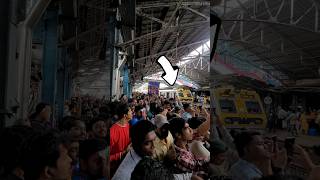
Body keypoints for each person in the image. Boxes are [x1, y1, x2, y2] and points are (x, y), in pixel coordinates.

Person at [109, 103, 132, 177]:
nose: (132, 112)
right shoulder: (113, 131)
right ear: (125, 115)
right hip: (115, 169)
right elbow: (107, 157)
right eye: (130, 111)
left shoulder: (128, 125)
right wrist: (123, 153)